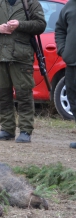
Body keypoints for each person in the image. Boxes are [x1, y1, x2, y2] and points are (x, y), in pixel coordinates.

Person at [0, 0, 46, 143]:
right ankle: (7, 129)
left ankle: (25, 130)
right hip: (0, 56)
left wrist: (20, 25)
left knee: (24, 94)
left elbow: (41, 25)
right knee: (3, 95)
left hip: (21, 57)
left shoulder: (31, 3)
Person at [54, 0, 76, 148]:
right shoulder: (70, 5)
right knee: (73, 100)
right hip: (72, 63)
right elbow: (60, 29)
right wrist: (63, 50)